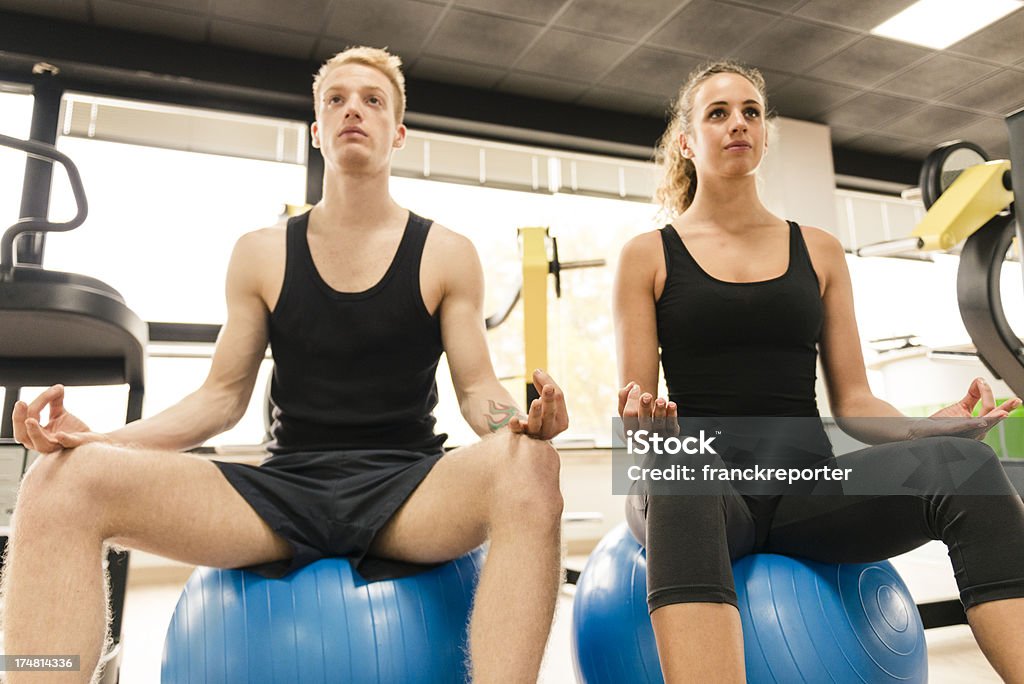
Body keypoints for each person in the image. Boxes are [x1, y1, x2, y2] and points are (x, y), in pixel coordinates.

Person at [4, 46, 567, 683]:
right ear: (316, 129)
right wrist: (96, 441)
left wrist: (517, 428)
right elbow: (219, 399)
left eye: (372, 100)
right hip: (284, 489)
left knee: (531, 466)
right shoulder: (260, 254)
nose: (353, 108)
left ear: (398, 132)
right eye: (337, 99)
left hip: (408, 487)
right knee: (57, 482)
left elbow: (477, 388)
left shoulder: (446, 253)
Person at [613, 60, 1024, 683]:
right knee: (680, 464)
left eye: (751, 111)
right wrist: (649, 429)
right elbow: (637, 415)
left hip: (803, 485)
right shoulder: (647, 254)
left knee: (968, 468)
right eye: (717, 113)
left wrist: (929, 432)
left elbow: (855, 399)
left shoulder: (820, 249)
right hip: (699, 487)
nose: (738, 124)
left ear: (765, 133)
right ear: (686, 141)